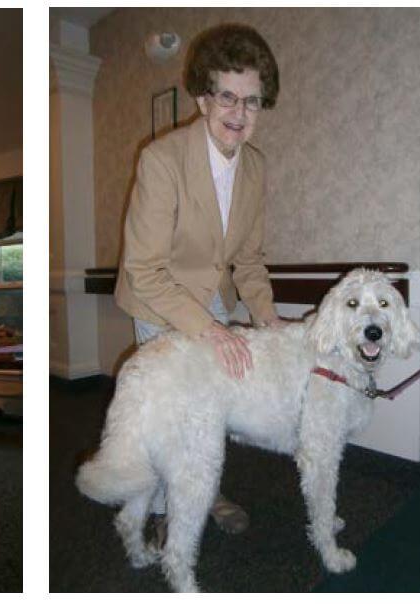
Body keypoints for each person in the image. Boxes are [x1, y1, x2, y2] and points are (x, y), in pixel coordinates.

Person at [113, 23, 285, 540]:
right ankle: (167, 506)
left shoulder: (255, 166)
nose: (239, 113)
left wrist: (268, 320)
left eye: (252, 101)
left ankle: (204, 490)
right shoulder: (162, 160)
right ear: (202, 98)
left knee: (213, 405)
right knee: (177, 408)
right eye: (227, 97)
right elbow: (144, 269)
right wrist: (210, 329)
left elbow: (249, 261)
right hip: (158, 298)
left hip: (212, 294)